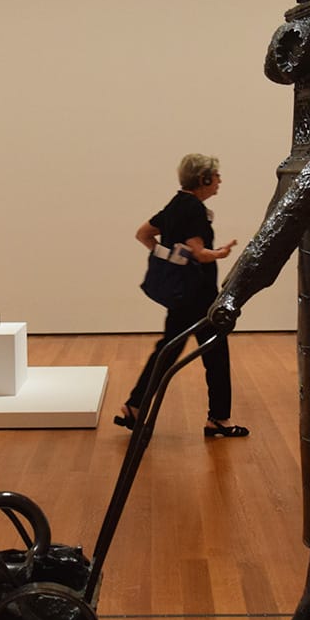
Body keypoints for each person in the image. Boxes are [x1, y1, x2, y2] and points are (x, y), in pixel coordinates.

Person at [116, 153, 249, 439]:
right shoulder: (194, 209)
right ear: (203, 179)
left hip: (181, 294)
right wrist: (221, 253)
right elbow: (200, 253)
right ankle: (219, 419)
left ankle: (135, 406)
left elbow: (144, 234)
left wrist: (168, 256)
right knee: (215, 352)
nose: (219, 181)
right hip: (199, 296)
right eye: (216, 177)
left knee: (167, 350)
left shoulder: (176, 204)